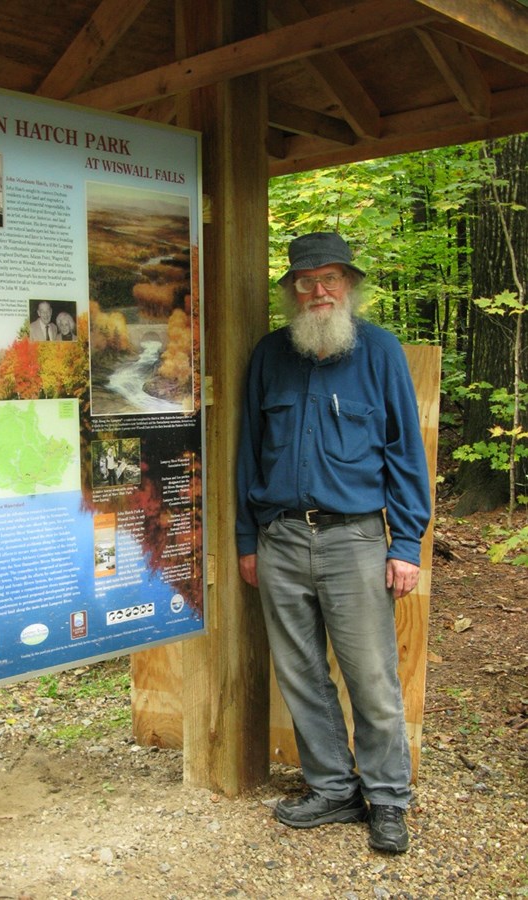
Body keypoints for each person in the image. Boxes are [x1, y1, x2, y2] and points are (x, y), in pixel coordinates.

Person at [236, 232, 431, 854]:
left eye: (331, 279)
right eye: (306, 280)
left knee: (372, 676)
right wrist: (247, 538)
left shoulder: (379, 352)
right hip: (281, 539)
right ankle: (331, 788)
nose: (319, 290)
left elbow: (405, 452)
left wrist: (406, 544)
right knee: (300, 673)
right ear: (292, 290)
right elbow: (247, 453)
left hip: (355, 542)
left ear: (349, 284)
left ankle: (389, 799)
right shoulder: (270, 355)